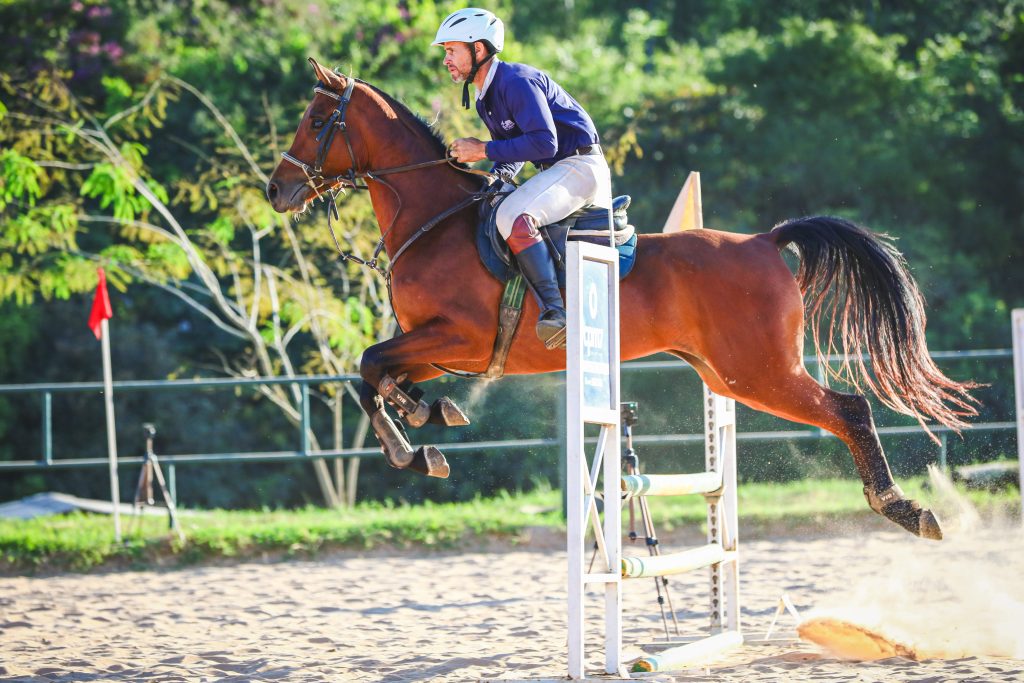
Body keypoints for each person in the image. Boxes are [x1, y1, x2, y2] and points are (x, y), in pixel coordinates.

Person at [433, 8, 612, 349]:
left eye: (451, 50)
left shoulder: (515, 82)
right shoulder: (487, 96)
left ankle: (556, 313)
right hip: (560, 170)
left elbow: (545, 142)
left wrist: (482, 149)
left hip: (580, 167)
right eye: (446, 52)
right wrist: (494, 177)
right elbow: (513, 152)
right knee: (492, 207)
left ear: (479, 50)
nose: (446, 60)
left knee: (513, 215)